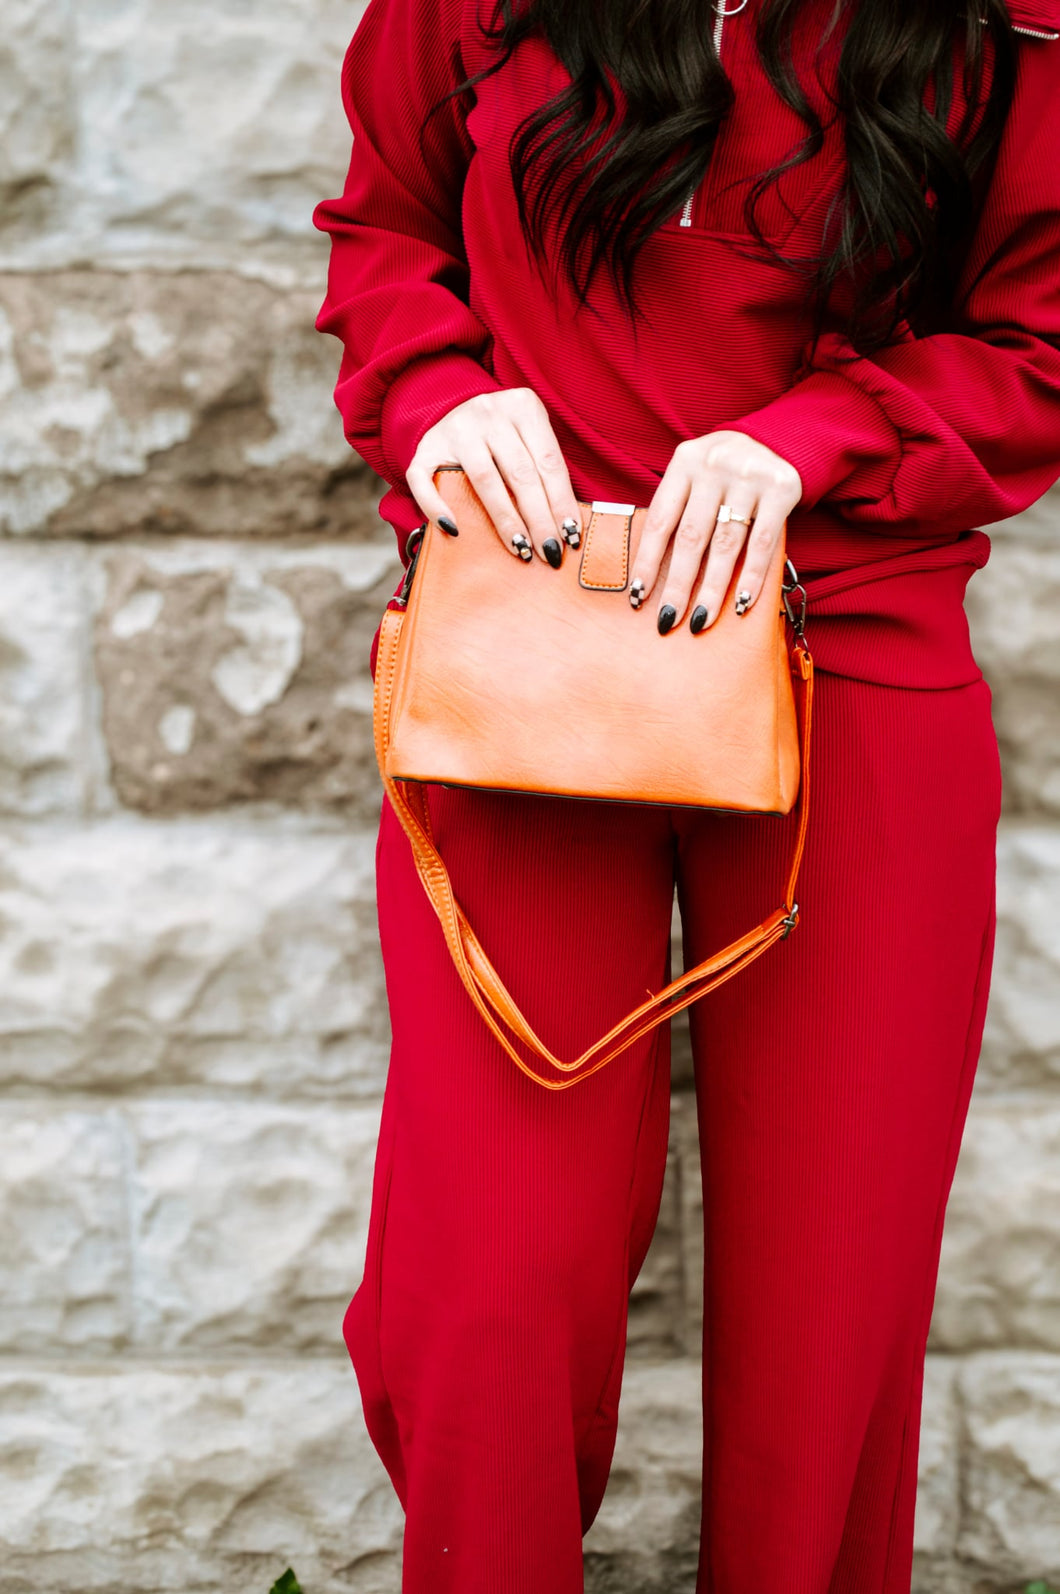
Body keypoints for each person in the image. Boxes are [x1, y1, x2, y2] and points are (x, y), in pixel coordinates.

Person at [311, 0, 1060, 1587]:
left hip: (849, 646)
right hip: (529, 638)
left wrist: (816, 437)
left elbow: (1042, 334)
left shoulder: (1012, 27)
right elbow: (385, 223)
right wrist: (439, 384)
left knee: (829, 1303)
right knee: (485, 1280)